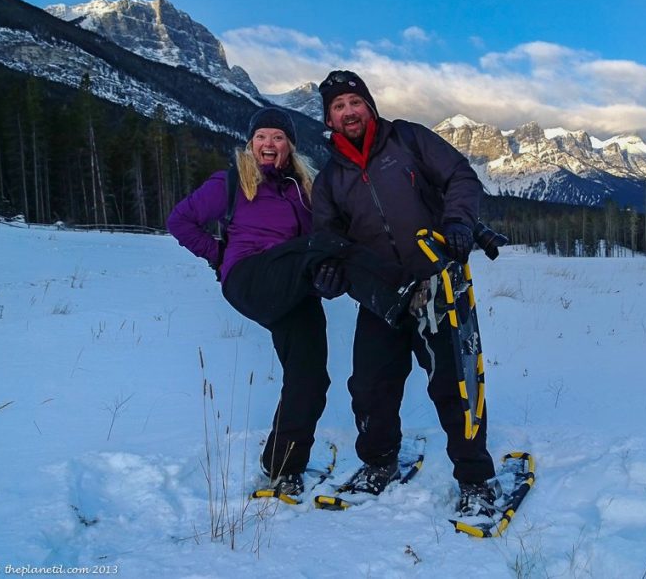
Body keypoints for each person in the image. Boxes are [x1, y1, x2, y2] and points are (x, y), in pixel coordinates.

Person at [167, 107, 414, 498]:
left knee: (310, 378)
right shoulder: (232, 182)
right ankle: (399, 296)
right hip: (251, 277)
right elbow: (179, 220)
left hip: (293, 287)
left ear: (290, 147)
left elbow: (330, 238)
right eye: (261, 136)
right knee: (322, 245)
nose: (269, 143)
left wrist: (327, 276)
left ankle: (282, 467)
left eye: (278, 137)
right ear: (251, 144)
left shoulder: (305, 189)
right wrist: (219, 256)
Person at [312, 70, 498, 516]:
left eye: (354, 102)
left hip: (437, 283)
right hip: (379, 297)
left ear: (369, 106)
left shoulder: (408, 140)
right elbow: (326, 239)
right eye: (338, 107)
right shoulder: (330, 179)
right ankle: (378, 462)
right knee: (370, 387)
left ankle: (474, 478)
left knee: (456, 385)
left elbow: (461, 176)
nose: (348, 112)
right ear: (329, 119)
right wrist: (329, 272)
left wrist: (457, 221)